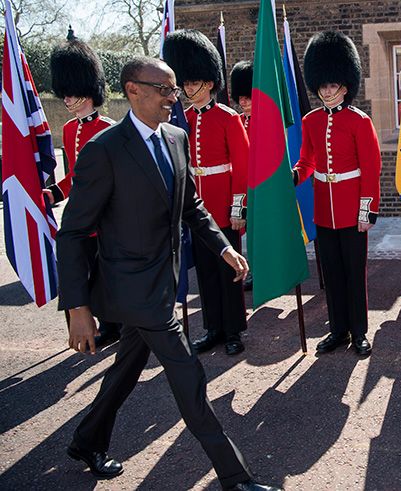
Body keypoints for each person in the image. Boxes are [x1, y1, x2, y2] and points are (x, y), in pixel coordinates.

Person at [56, 57, 278, 491]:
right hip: (132, 291)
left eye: (175, 90)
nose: (172, 98)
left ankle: (86, 441)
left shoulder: (177, 137)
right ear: (132, 90)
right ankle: (235, 478)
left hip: (164, 282)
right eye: (163, 90)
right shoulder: (103, 150)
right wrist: (78, 309)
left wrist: (225, 247)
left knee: (124, 372)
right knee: (190, 379)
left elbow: (192, 207)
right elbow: (73, 233)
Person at [293, 30, 381, 356]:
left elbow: (371, 169)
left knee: (354, 274)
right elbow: (306, 161)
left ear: (345, 86)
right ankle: (338, 330)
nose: (328, 91)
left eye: (334, 85)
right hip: (324, 211)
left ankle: (359, 332)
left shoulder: (359, 121)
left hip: (351, 210)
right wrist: (293, 176)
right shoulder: (311, 120)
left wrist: (366, 209)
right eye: (324, 85)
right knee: (330, 275)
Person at [164, 30, 250, 356]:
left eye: (193, 83)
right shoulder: (183, 120)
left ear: (210, 84)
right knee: (205, 273)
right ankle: (213, 328)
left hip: (224, 206)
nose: (187, 89)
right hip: (195, 211)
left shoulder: (228, 118)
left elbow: (241, 168)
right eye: (184, 84)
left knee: (229, 271)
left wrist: (238, 207)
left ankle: (233, 330)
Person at [45, 29, 121, 348]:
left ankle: (113, 324)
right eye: (64, 93)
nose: (66, 99)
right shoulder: (68, 128)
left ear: (87, 90)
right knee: (85, 269)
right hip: (81, 216)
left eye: (71, 92)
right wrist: (54, 193)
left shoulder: (108, 129)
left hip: (104, 216)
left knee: (107, 273)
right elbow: (74, 175)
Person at [230, 60, 255, 292]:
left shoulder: (268, 123)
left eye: (248, 98)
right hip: (241, 182)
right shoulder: (237, 122)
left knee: (259, 233)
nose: (244, 103)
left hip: (260, 184)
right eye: (241, 99)